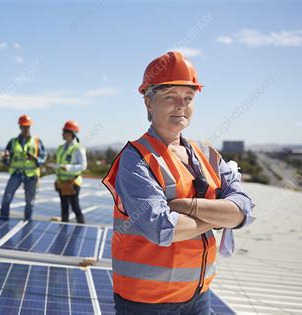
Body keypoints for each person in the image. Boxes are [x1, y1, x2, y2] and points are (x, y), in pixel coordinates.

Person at [103, 51, 255, 314]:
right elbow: (161, 228)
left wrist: (187, 206)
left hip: (198, 296)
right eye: (170, 97)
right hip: (146, 303)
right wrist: (221, 215)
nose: (180, 105)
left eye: (188, 98)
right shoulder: (136, 158)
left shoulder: (208, 155)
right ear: (149, 103)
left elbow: (245, 210)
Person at [0, 114, 46, 221]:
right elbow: (7, 160)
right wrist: (5, 158)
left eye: (27, 126)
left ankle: (27, 224)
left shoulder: (37, 141)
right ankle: (3, 222)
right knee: (7, 198)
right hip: (16, 174)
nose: (26, 129)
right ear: (20, 127)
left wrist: (35, 159)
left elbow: (43, 157)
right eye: (23, 126)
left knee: (30, 202)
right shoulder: (13, 142)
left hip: (31, 175)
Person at [54, 121, 87, 223]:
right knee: (64, 206)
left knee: (75, 206)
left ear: (71, 133)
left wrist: (68, 168)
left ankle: (82, 226)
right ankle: (64, 226)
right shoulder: (60, 148)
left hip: (73, 182)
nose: (62, 134)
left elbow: (83, 166)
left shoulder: (78, 148)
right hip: (62, 182)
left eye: (64, 131)